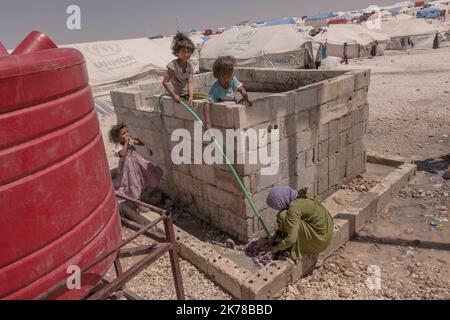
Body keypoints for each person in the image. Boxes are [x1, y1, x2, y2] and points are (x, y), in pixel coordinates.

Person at [262, 187, 334, 262]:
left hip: (319, 242)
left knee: (283, 215)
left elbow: (291, 239)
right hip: (327, 235)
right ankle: (283, 241)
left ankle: (292, 249)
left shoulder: (294, 207)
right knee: (289, 219)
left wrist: (275, 248)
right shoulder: (301, 197)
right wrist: (273, 237)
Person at [109, 123, 163, 202]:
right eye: (123, 133)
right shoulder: (118, 147)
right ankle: (137, 203)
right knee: (133, 184)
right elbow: (122, 154)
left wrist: (136, 138)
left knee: (142, 179)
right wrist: (126, 143)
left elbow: (141, 143)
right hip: (128, 168)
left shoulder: (130, 141)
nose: (126, 134)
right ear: (117, 138)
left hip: (138, 163)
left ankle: (141, 199)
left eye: (127, 132)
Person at [205, 56, 252, 128]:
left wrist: (246, 99)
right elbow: (207, 104)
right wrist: (208, 123)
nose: (232, 74)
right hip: (224, 114)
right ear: (222, 75)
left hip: (233, 107)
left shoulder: (232, 80)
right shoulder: (216, 89)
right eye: (230, 73)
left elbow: (242, 90)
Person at [163, 32, 207, 107]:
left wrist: (191, 96)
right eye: (183, 52)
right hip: (178, 93)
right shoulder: (173, 65)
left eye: (188, 52)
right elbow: (165, 82)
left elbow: (190, 82)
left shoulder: (189, 66)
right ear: (177, 52)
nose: (186, 54)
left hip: (187, 93)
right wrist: (174, 96)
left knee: (208, 97)